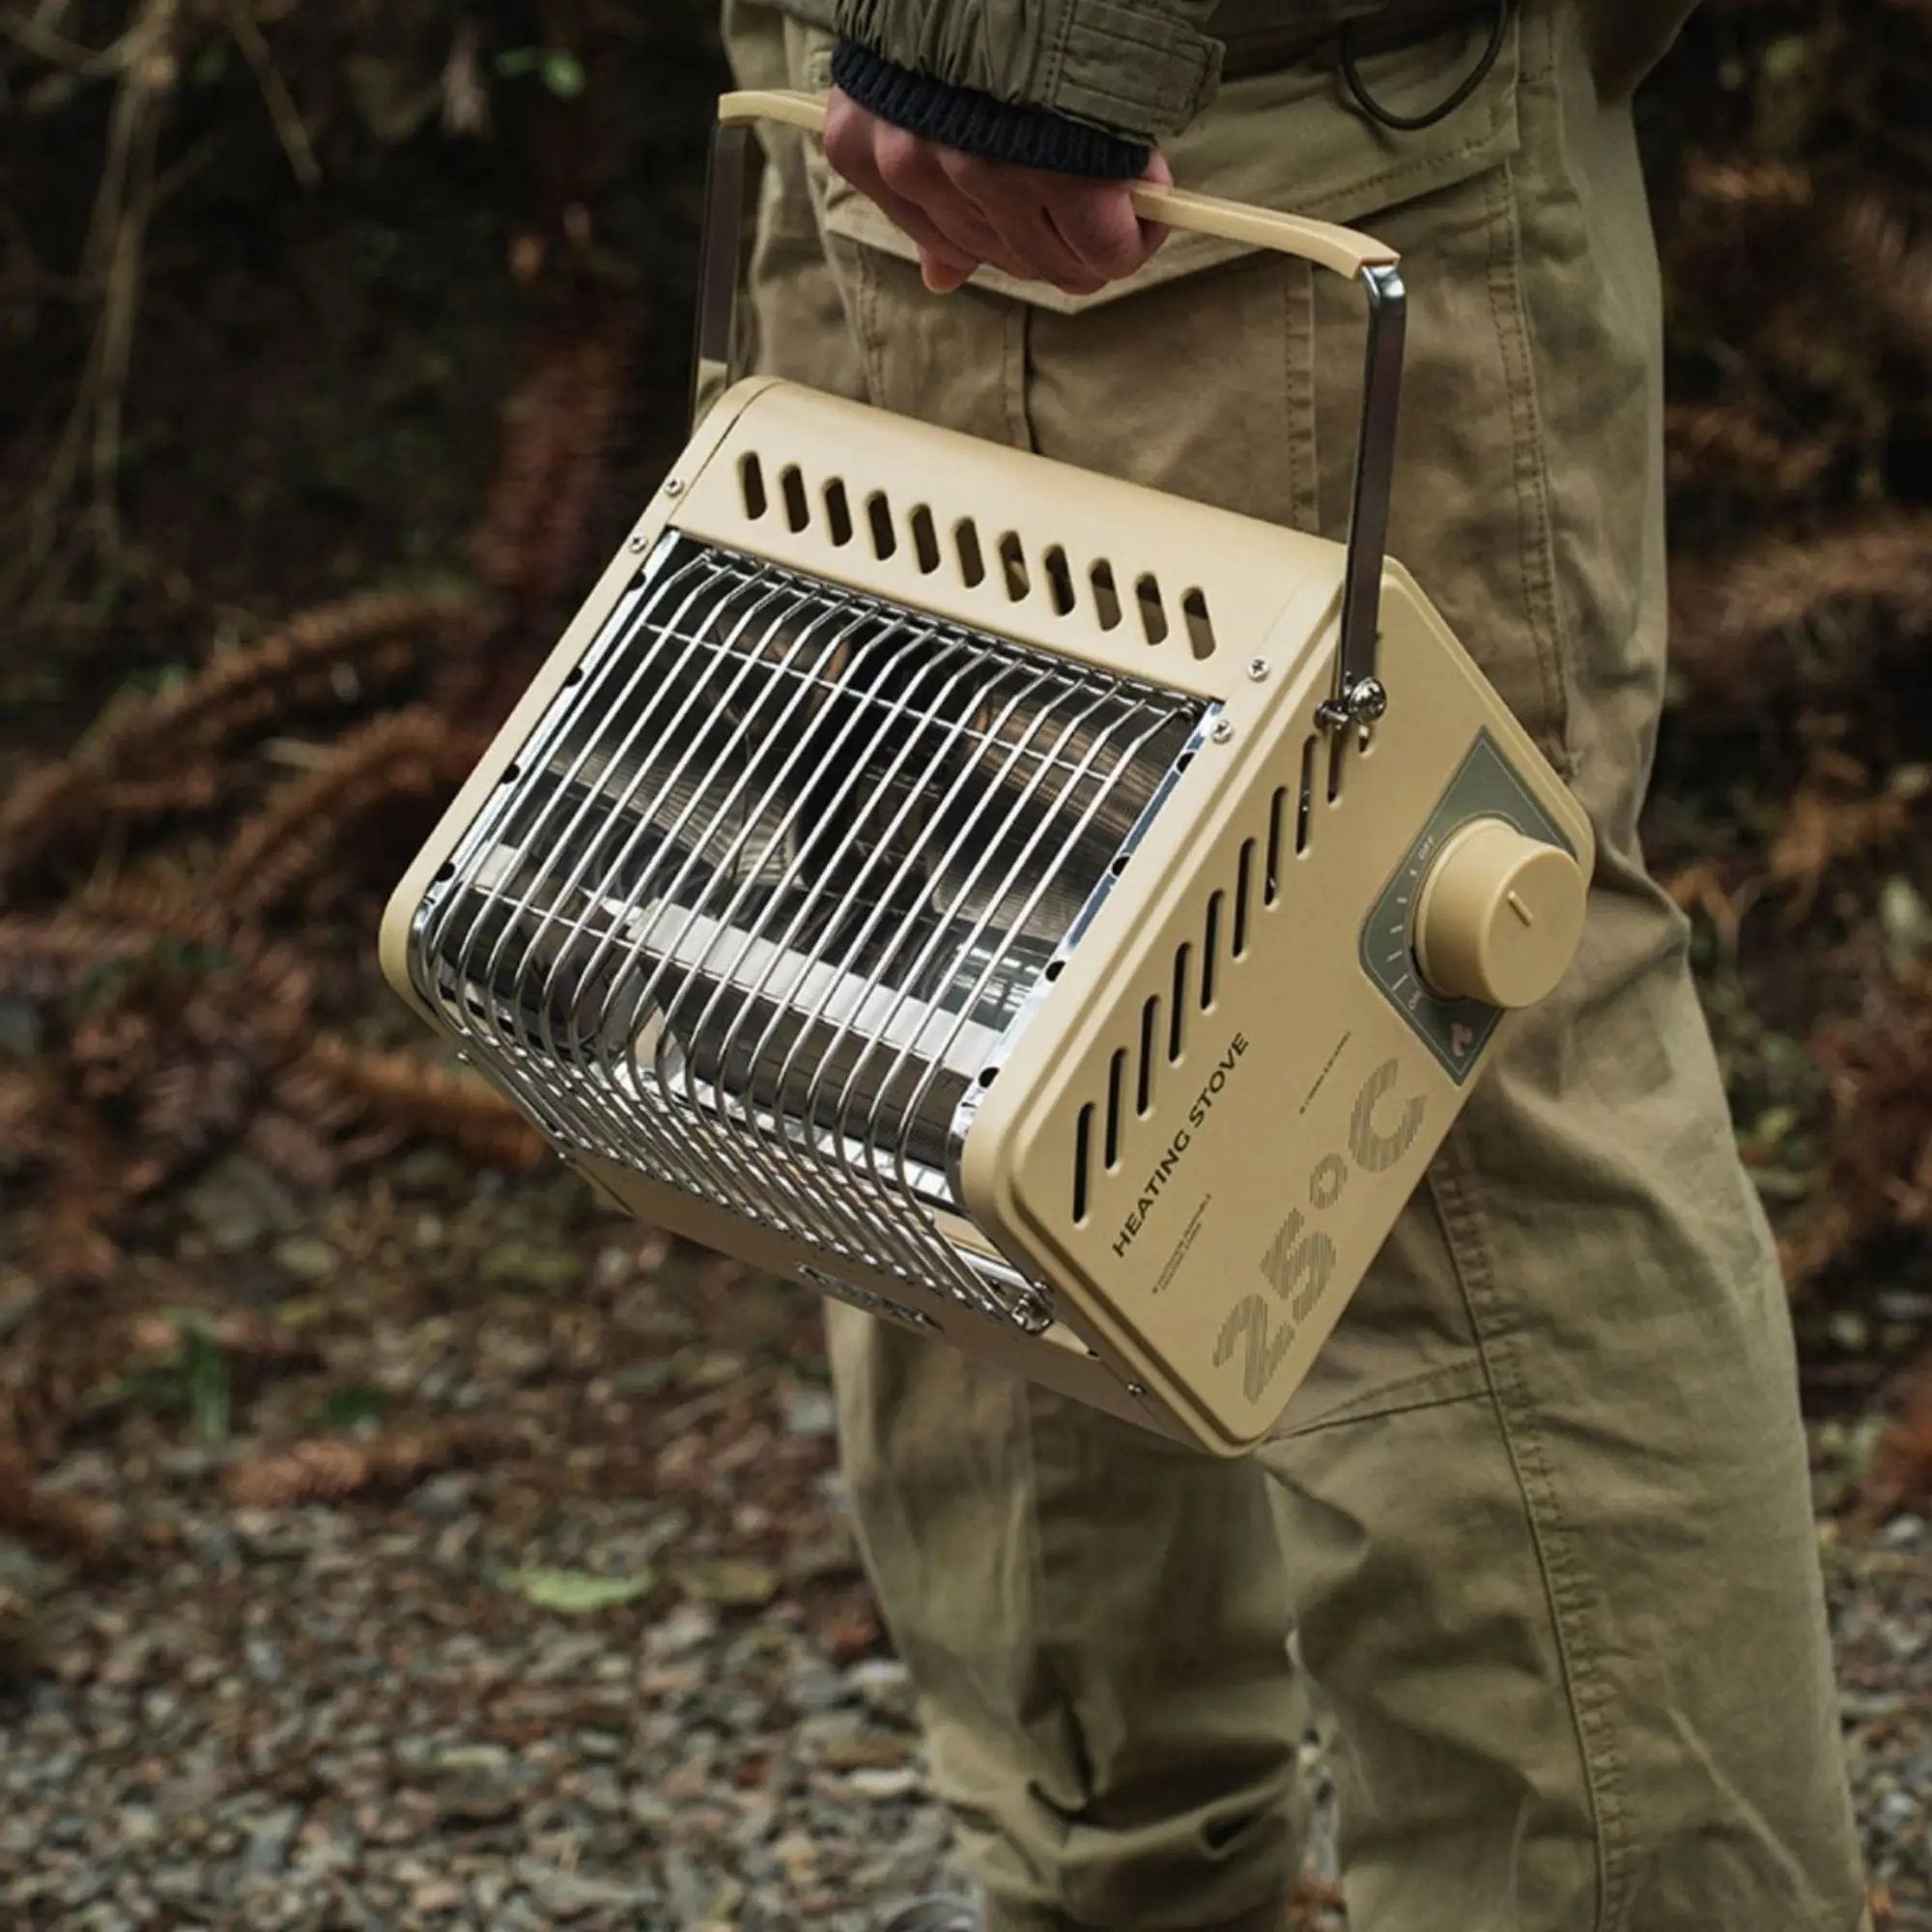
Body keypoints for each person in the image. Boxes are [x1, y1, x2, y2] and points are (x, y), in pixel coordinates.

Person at [714, 3, 1872, 1927]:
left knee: (1414, 1071)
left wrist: (1019, 29)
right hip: (931, 91)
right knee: (989, 1021)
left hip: (1173, 103)